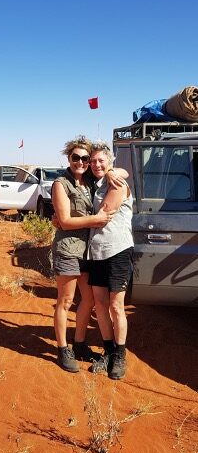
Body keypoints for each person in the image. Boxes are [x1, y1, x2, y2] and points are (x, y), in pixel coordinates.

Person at [52, 136, 127, 373]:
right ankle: (63, 349)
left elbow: (117, 172)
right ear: (69, 158)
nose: (82, 162)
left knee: (90, 300)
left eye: (86, 158)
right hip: (68, 250)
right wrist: (93, 220)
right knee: (65, 301)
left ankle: (80, 343)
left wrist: (115, 171)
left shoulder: (89, 182)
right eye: (77, 157)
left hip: (88, 251)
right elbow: (63, 220)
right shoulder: (61, 184)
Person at [87, 141, 134, 380]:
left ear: (110, 162)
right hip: (97, 253)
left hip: (117, 250)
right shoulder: (97, 183)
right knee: (100, 304)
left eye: (101, 160)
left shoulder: (117, 183)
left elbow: (102, 216)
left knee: (116, 306)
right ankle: (108, 350)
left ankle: (120, 354)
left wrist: (66, 219)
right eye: (93, 161)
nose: (96, 164)